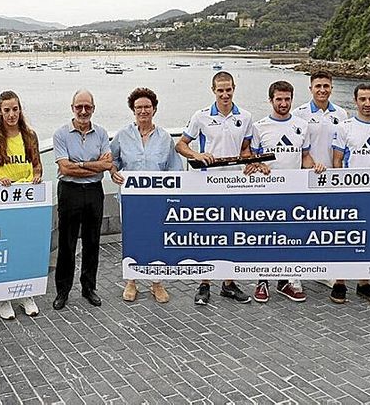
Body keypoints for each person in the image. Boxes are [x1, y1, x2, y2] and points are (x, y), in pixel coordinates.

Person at [175, 71, 254, 305]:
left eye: (228, 89)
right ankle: (204, 284)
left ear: (234, 88)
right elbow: (181, 145)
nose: (225, 94)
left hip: (235, 185)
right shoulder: (200, 117)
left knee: (232, 236)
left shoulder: (246, 117)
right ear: (213, 91)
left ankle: (229, 284)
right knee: (207, 236)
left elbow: (246, 149)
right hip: (207, 185)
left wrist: (249, 163)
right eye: (220, 90)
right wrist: (197, 154)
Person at [250, 81, 326, 303]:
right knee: (266, 238)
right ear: (271, 100)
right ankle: (262, 281)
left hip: (294, 193)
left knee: (291, 237)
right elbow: (252, 158)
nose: (283, 103)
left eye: (287, 99)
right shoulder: (260, 126)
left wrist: (315, 166)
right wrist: (259, 165)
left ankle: (287, 281)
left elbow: (304, 157)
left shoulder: (302, 125)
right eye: (279, 99)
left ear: (292, 100)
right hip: (267, 193)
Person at [111, 87, 183, 303]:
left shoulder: (165, 138)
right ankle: (131, 281)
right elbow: (112, 160)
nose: (143, 111)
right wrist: (113, 171)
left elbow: (175, 169)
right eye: (138, 107)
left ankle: (156, 283)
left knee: (156, 241)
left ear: (154, 109)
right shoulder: (122, 136)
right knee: (132, 240)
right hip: (131, 201)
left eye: (147, 107)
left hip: (157, 201)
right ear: (133, 110)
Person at [0, 91, 43, 320]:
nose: (11, 114)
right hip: (4, 202)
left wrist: (37, 175)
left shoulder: (30, 135)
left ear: (20, 109)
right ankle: (3, 298)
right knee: (4, 250)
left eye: (15, 109)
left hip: (26, 201)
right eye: (6, 110)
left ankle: (26, 293)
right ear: (0, 111)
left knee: (25, 248)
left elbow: (36, 165)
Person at [328, 83, 370, 305]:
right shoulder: (345, 128)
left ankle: (364, 284)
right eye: (363, 99)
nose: (367, 103)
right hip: (349, 193)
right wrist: (339, 189)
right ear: (356, 101)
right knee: (345, 239)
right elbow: (337, 160)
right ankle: (340, 282)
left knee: (369, 239)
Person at [52, 90, 112, 310]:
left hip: (94, 191)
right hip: (69, 192)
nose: (83, 111)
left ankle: (89, 288)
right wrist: (92, 165)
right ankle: (63, 291)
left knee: (92, 242)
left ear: (93, 108)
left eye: (88, 107)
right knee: (66, 244)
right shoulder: (61, 134)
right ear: (72, 108)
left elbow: (106, 165)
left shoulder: (102, 133)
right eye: (79, 107)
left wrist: (78, 165)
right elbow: (64, 168)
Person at [293, 73, 348, 169]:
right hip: (308, 172)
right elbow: (296, 148)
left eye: (326, 86)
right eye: (318, 86)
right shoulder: (298, 114)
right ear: (311, 89)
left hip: (333, 173)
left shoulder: (341, 114)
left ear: (331, 88)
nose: (322, 90)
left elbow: (344, 146)